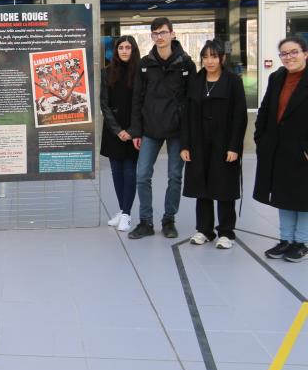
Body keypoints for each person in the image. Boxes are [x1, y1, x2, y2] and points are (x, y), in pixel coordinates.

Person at [128, 17, 196, 240]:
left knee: (175, 176)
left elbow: (191, 102)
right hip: (150, 129)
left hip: (177, 130)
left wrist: (188, 136)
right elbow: (137, 99)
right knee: (142, 175)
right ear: (151, 36)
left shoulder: (186, 64)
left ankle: (169, 219)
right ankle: (145, 221)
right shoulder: (145, 64)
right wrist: (136, 131)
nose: (160, 37)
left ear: (172, 34)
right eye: (155, 33)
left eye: (163, 32)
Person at [180, 39, 247, 250]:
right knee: (202, 187)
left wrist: (234, 146)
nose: (209, 61)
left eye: (214, 56)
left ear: (222, 58)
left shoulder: (233, 81)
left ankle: (226, 232)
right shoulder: (196, 81)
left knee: (224, 187)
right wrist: (185, 145)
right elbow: (187, 115)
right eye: (205, 57)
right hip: (199, 143)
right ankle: (204, 230)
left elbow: (240, 116)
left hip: (223, 143)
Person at [256, 36, 308, 262]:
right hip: (278, 148)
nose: (289, 57)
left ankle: (302, 243)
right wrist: (261, 138)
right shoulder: (276, 77)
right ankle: (286, 239)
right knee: (282, 196)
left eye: (293, 52)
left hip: (302, 148)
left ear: (305, 53)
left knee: (304, 198)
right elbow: (265, 109)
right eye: (284, 54)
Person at [100, 36, 141, 233]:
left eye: (128, 47)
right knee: (116, 172)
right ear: (116, 51)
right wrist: (117, 130)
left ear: (133, 50)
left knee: (130, 172)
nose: (124, 51)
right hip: (113, 131)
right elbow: (104, 104)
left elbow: (141, 104)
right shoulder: (106, 73)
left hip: (133, 131)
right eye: (121, 48)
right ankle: (122, 210)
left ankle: (127, 214)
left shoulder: (141, 73)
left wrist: (132, 131)